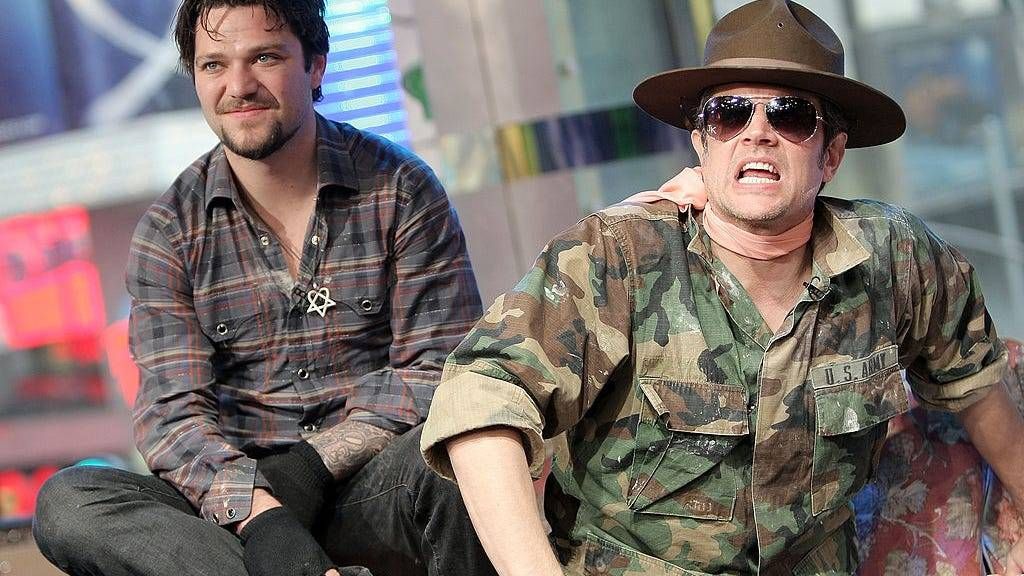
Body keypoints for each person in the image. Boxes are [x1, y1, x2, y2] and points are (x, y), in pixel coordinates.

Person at [419, 1, 1024, 574]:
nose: (757, 134)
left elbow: (975, 383)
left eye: (791, 116)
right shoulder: (618, 256)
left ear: (831, 155)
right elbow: (481, 401)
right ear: (702, 144)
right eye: (729, 114)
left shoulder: (894, 257)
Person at [32, 1, 490, 575]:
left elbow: (439, 369)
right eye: (214, 65)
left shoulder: (401, 190)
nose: (238, 86)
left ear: (315, 64)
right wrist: (261, 514)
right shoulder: (170, 231)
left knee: (462, 455)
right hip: (238, 513)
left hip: (373, 486)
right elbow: (173, 418)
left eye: (265, 57)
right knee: (69, 502)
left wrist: (309, 468)